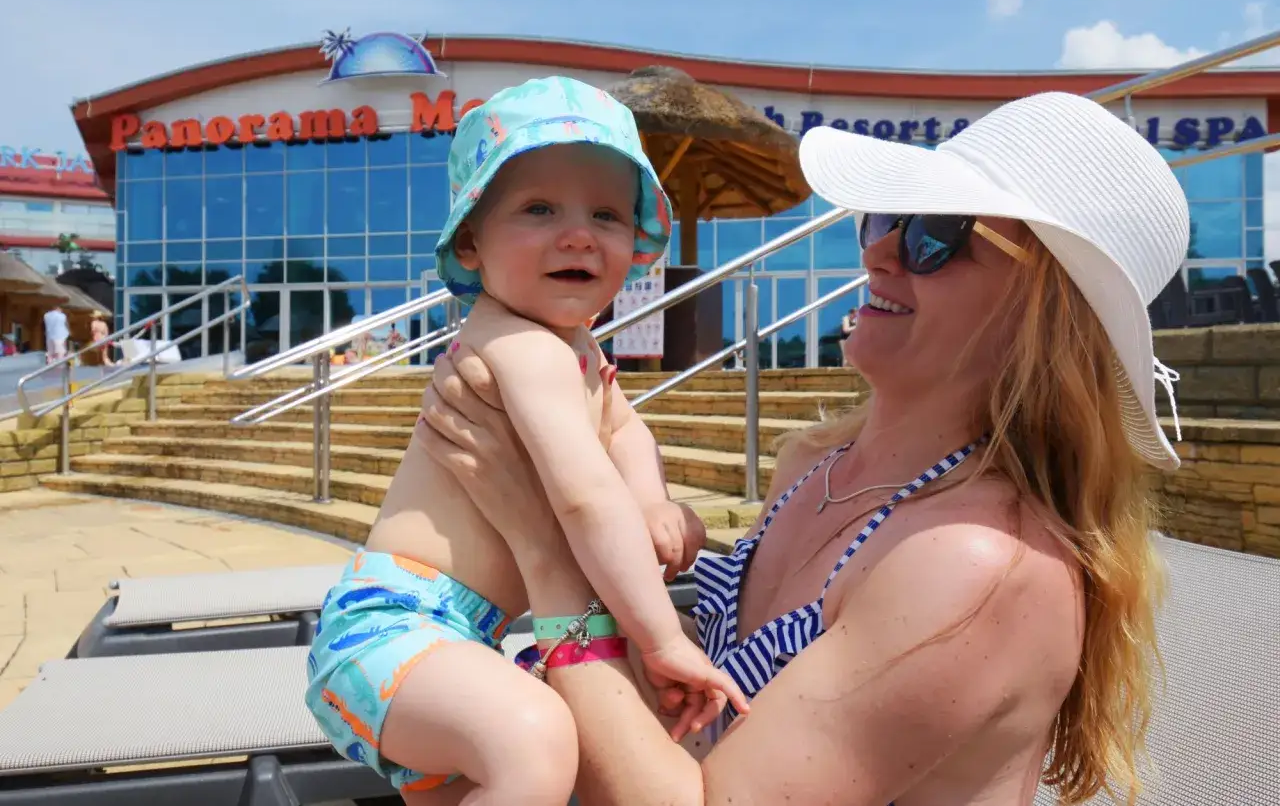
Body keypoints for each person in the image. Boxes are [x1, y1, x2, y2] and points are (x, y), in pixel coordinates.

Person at [415, 91, 1187, 806]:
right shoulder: (817, 467)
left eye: (934, 236)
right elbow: (712, 715)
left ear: (1045, 311)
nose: (880, 252)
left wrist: (546, 550)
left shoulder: (980, 566)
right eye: (885, 217)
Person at [304, 76, 746, 805]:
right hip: (397, 628)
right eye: (539, 208)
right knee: (537, 740)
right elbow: (583, 497)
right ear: (471, 242)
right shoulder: (521, 347)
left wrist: (653, 497)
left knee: (513, 766)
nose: (577, 233)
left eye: (606, 214)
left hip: (459, 640)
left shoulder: (574, 347)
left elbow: (623, 427)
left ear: (633, 246)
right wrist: (663, 639)